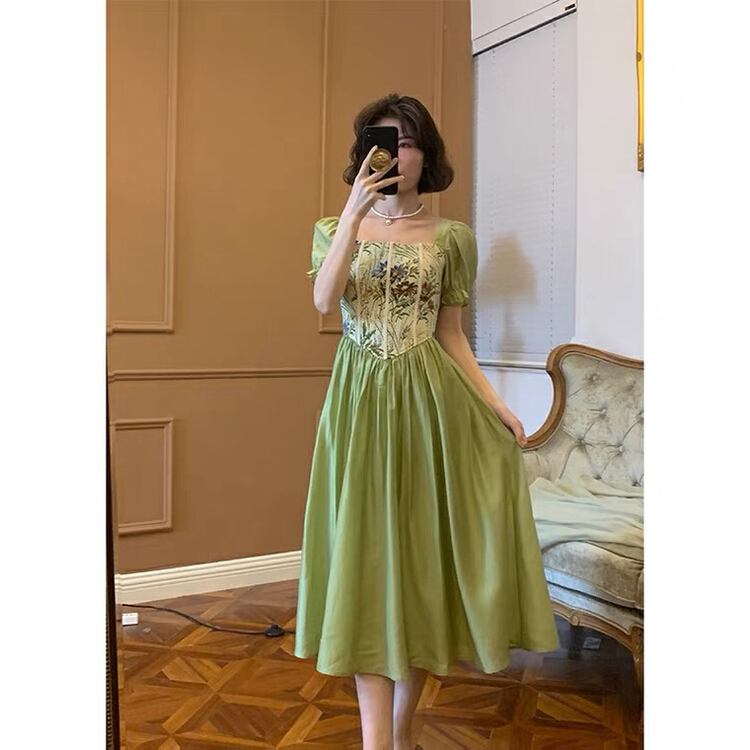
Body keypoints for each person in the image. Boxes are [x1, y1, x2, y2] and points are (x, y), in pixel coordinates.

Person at [294, 93, 560, 750]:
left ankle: (401, 733)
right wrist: (353, 215)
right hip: (358, 406)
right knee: (363, 566)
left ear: (426, 154)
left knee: (418, 567)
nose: (396, 154)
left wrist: (498, 405)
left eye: (408, 142)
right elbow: (324, 301)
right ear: (366, 153)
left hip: (429, 408)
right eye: (384, 142)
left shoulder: (452, 238)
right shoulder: (334, 226)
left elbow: (452, 335)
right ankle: (375, 743)